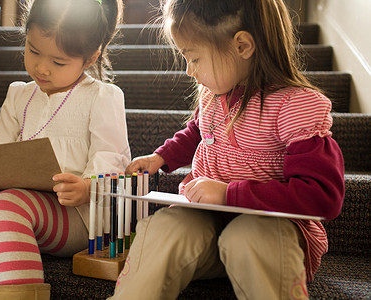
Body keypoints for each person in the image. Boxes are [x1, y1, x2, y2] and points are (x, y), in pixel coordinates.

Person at [111, 0, 344, 299]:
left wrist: (228, 193)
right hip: (209, 232)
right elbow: (197, 132)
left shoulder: (294, 108)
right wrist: (162, 157)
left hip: (270, 239)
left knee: (248, 236)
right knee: (167, 226)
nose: (188, 71)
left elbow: (322, 196)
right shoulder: (213, 95)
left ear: (242, 46)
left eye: (193, 58)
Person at [0, 0, 129, 299]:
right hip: (11, 205)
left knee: (7, 204)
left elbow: (113, 162)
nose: (41, 67)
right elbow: (0, 159)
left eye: (58, 62)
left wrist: (86, 187)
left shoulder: (101, 97)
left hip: (77, 218)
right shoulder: (18, 94)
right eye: (33, 51)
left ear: (90, 57)